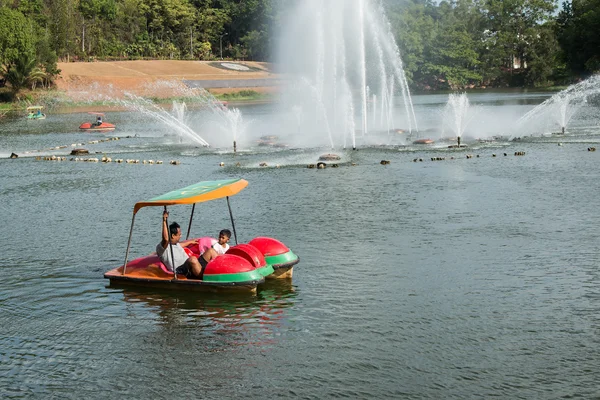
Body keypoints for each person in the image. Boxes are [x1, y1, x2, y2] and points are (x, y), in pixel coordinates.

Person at [156, 210, 217, 279]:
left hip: (190, 266)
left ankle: (222, 272)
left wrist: (190, 242)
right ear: (173, 235)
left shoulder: (176, 244)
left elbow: (182, 244)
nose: (181, 236)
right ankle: (206, 278)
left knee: (211, 251)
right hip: (181, 271)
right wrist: (164, 221)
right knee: (193, 259)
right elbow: (166, 239)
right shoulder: (162, 249)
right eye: (179, 235)